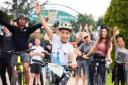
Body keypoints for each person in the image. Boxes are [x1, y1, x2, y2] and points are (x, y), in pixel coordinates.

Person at [35, 1, 77, 84]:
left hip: (64, 70)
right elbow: (46, 27)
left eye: (67, 33)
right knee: (50, 82)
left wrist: (74, 62)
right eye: (63, 32)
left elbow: (73, 57)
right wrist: (39, 15)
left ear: (70, 34)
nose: (64, 35)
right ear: (59, 32)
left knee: (63, 80)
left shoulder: (69, 46)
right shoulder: (55, 39)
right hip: (53, 69)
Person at [0, 15, 42, 85]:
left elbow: (36, 26)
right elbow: (5, 23)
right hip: (15, 53)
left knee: (26, 68)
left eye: (23, 19)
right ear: (18, 21)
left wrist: (44, 22)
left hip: (25, 52)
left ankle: (27, 83)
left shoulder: (28, 29)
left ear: (25, 21)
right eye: (20, 19)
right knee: (14, 72)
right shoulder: (14, 29)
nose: (22, 20)